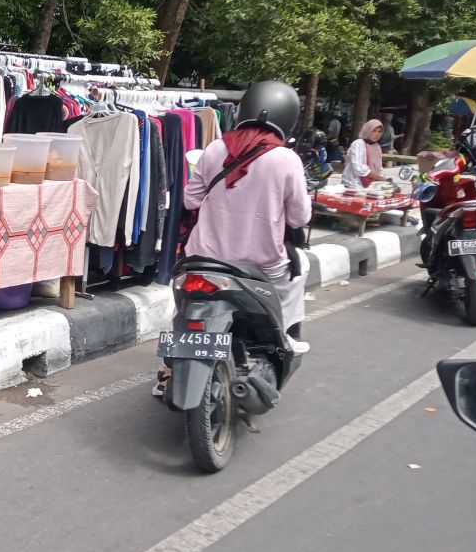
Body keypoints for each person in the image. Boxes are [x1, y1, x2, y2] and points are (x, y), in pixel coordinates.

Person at [154, 81, 312, 396]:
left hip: (205, 258)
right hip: (261, 265)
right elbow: (299, 218)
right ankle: (286, 337)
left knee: (185, 307)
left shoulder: (214, 148)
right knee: (300, 269)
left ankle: (169, 370)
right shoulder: (286, 159)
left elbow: (190, 201)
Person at [343, 119, 389, 188]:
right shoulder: (358, 144)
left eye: (379, 132)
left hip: (370, 185)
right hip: (353, 183)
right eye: (374, 131)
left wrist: (383, 178)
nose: (377, 134)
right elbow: (358, 167)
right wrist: (379, 178)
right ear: (368, 130)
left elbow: (379, 167)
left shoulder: (377, 147)